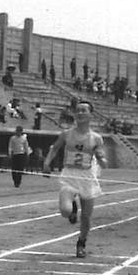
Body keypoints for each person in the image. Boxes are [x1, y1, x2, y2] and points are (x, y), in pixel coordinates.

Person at [43, 99, 107, 259]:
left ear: (91, 114)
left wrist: (101, 159)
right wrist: (46, 163)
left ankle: (81, 243)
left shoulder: (96, 138)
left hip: (87, 177)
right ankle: (72, 207)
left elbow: (104, 162)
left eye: (84, 110)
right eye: (77, 110)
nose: (80, 113)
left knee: (86, 216)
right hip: (69, 175)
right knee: (65, 211)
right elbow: (54, 149)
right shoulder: (66, 134)